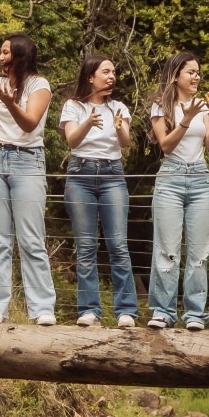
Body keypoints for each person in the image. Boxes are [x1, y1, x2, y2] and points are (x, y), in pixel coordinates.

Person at [0, 33, 54, 326]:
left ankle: (42, 308)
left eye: (5, 52)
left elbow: (30, 123)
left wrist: (9, 103)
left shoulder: (39, 85)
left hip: (28, 160)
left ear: (19, 55)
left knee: (31, 238)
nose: (0, 57)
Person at [60, 54, 136, 328]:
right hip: (80, 174)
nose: (111, 76)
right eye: (106, 71)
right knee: (87, 246)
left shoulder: (119, 107)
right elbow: (71, 141)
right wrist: (88, 123)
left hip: (112, 174)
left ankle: (126, 310)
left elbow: (125, 142)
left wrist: (119, 128)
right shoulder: (73, 106)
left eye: (113, 72)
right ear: (90, 76)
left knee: (117, 244)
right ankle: (89, 310)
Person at [148, 51, 209, 330]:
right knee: (167, 249)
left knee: (199, 251)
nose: (196, 77)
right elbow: (165, 145)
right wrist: (186, 119)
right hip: (171, 178)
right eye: (191, 72)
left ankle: (195, 315)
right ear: (176, 75)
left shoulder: (203, 106)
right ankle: (162, 312)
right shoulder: (159, 105)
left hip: (200, 178)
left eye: (198, 72)